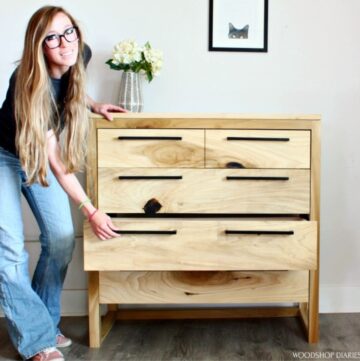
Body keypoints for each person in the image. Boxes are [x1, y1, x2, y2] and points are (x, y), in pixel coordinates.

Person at [0, 6, 124, 361]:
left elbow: (68, 81)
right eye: (52, 38)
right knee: (9, 252)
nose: (64, 43)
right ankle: (37, 341)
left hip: (35, 158)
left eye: (68, 31)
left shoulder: (76, 51)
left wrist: (94, 104)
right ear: (39, 47)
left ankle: (44, 321)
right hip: (5, 157)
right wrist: (91, 210)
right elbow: (56, 161)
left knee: (61, 238)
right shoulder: (26, 83)